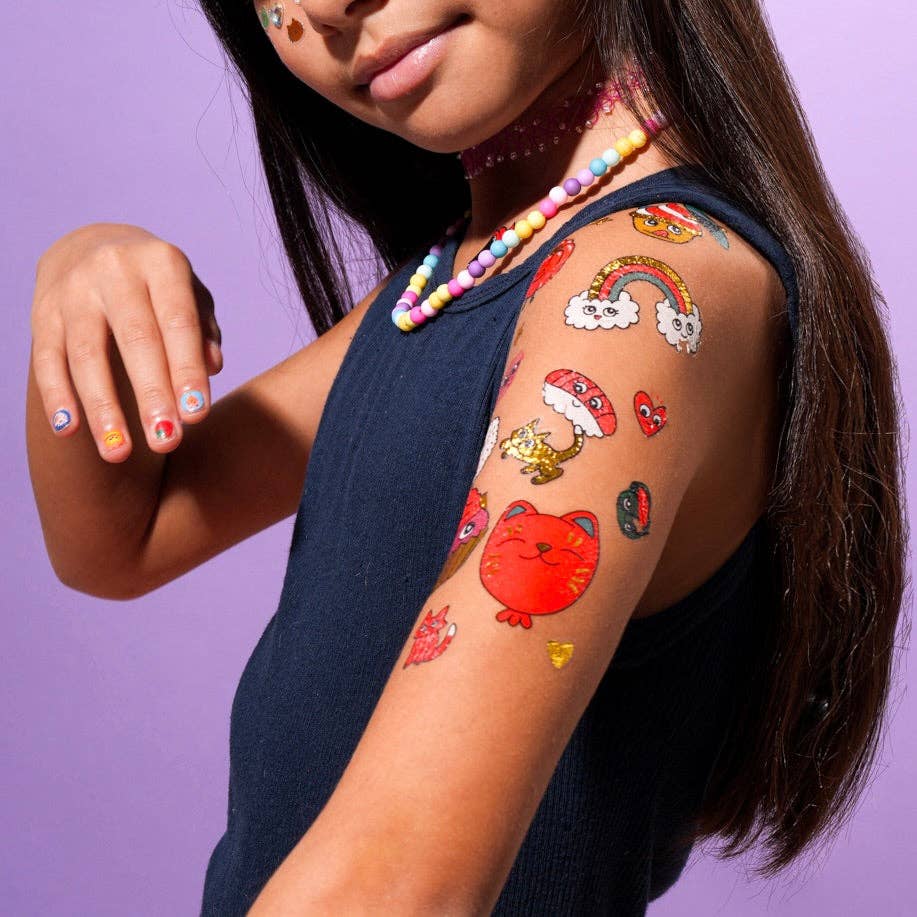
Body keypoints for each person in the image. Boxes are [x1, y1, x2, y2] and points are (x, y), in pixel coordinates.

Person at [25, 1, 907, 914]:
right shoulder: (459, 279)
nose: (326, 5)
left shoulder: (628, 299)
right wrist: (81, 272)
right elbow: (120, 536)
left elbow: (398, 885)